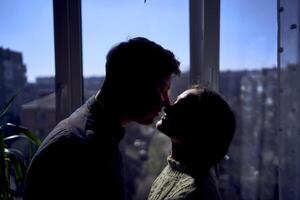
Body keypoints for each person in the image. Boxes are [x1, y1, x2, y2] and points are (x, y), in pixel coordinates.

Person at [23, 37, 181, 200]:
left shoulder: (96, 129)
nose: (166, 103)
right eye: (162, 89)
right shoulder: (89, 148)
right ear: (133, 84)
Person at [148, 85, 236, 200]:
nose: (167, 107)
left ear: (200, 128)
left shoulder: (195, 193)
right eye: (176, 101)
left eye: (182, 107)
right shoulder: (174, 169)